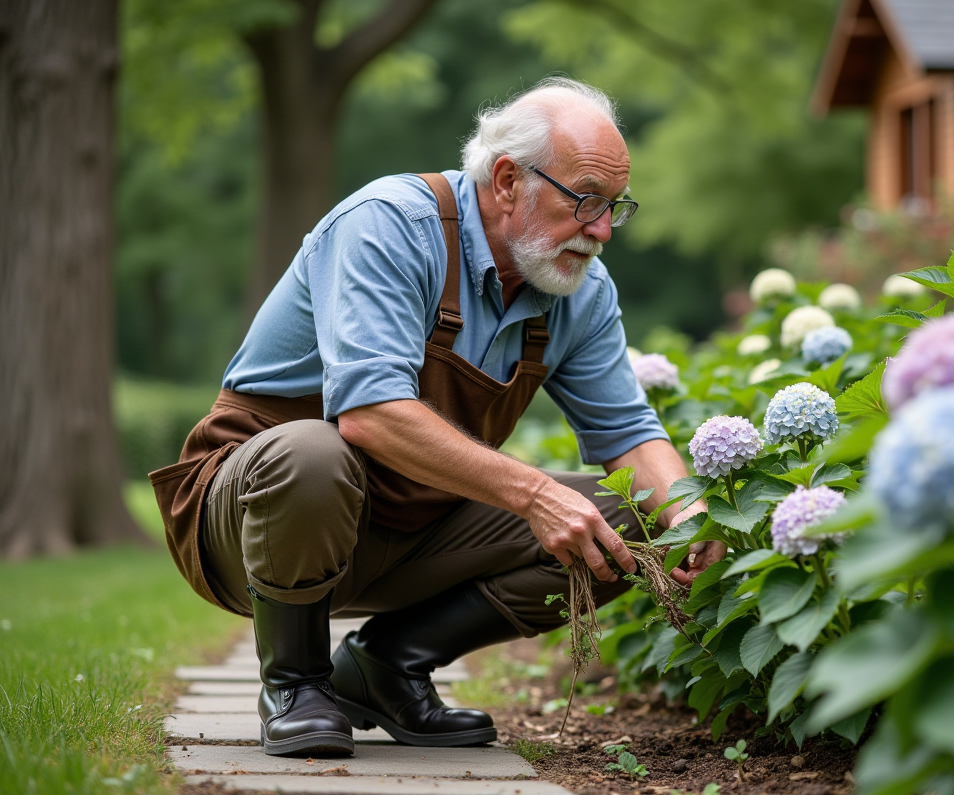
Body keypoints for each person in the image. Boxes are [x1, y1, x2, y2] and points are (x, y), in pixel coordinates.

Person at [149, 77, 723, 758]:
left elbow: (629, 434)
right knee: (312, 452)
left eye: (614, 207)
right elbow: (369, 416)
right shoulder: (389, 226)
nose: (601, 230)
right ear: (508, 179)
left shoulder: (579, 290)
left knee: (632, 518)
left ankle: (386, 666)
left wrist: (691, 521)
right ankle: (295, 683)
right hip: (253, 521)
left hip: (413, 520)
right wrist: (535, 494)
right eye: (585, 201)